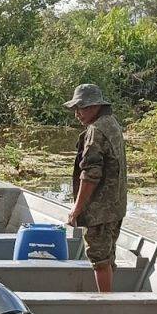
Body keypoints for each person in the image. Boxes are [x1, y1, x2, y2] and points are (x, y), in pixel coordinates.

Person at [61, 84, 128, 292]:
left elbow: (90, 175)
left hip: (100, 211)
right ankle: (109, 298)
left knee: (99, 260)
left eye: (80, 108)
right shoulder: (112, 123)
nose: (77, 114)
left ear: (94, 106)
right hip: (115, 207)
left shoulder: (95, 131)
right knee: (107, 257)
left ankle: (106, 303)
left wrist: (76, 209)